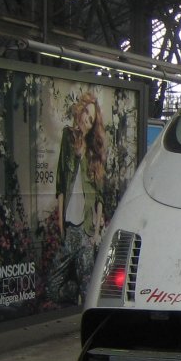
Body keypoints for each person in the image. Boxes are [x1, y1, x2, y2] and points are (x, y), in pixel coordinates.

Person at [49, 91, 108, 305]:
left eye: (91, 119)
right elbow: (61, 180)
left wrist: (96, 233)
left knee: (88, 288)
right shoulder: (68, 137)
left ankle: (83, 311)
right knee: (53, 288)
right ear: (80, 111)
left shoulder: (94, 152)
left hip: (86, 230)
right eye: (85, 113)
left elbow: (99, 194)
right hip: (69, 228)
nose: (86, 119)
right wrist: (60, 225)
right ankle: (74, 294)